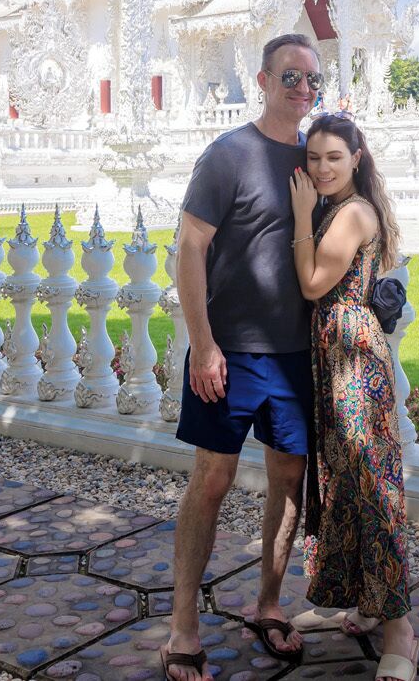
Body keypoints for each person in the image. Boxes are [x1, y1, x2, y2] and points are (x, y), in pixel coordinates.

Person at [161, 33, 321, 680]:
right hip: (228, 353)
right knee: (214, 480)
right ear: (262, 80)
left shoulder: (318, 160)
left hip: (294, 353)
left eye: (312, 78)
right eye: (290, 77)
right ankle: (181, 625)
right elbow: (189, 247)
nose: (303, 89)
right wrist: (202, 343)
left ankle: (269, 602)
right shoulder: (229, 155)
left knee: (288, 477)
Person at [286, 113, 418, 681]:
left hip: (353, 356)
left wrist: (297, 219)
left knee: (371, 487)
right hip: (334, 351)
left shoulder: (353, 212)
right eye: (313, 158)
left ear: (356, 158)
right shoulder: (341, 208)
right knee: (340, 483)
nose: (321, 168)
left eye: (333, 157)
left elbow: (314, 284)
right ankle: (363, 606)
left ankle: (401, 633)